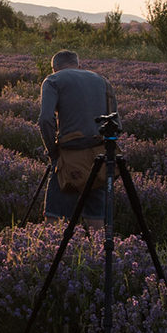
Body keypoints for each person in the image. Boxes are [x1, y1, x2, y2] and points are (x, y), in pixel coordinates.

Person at [37, 50, 118, 229]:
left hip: (70, 158)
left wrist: (53, 152)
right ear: (79, 65)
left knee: (54, 219)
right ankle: (96, 255)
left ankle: (50, 255)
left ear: (54, 68)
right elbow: (115, 122)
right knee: (96, 219)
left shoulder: (53, 80)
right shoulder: (103, 81)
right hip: (100, 156)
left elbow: (45, 120)